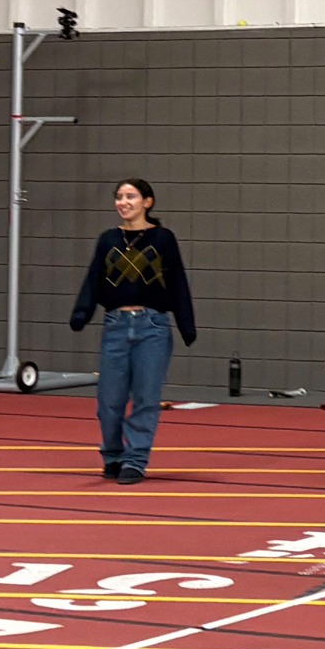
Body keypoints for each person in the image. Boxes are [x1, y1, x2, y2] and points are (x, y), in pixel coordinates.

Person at [69, 179, 197, 484]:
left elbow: (177, 282)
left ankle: (135, 460)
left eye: (130, 196)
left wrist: (186, 324)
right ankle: (113, 455)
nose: (123, 202)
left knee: (146, 398)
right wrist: (81, 313)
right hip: (116, 326)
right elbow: (94, 278)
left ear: (147, 202)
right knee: (109, 402)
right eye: (119, 197)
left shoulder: (163, 238)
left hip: (152, 328)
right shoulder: (108, 239)